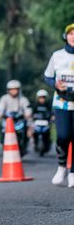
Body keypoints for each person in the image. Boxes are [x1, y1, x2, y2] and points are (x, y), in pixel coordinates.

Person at [44, 23, 74, 187]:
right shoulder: (57, 55)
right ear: (65, 36)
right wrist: (55, 84)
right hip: (62, 102)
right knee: (63, 136)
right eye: (71, 34)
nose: (73, 37)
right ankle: (62, 166)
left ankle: (73, 173)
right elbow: (47, 76)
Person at [0, 79, 32, 145]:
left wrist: (27, 114)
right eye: (12, 89)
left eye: (15, 89)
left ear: (19, 90)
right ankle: (2, 142)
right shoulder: (4, 98)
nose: (14, 91)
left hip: (19, 120)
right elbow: (0, 109)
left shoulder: (23, 99)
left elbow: (27, 109)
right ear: (8, 90)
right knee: (1, 126)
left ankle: (25, 142)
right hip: (7, 120)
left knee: (27, 125)